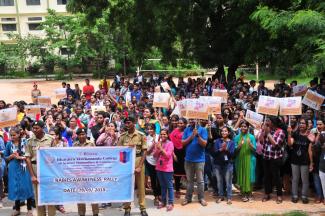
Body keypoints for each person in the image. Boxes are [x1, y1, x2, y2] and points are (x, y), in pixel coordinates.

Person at [117, 116, 148, 216]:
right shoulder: (122, 136)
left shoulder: (140, 135)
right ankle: (127, 208)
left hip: (138, 160)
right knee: (127, 186)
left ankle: (142, 208)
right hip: (126, 163)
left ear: (134, 123)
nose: (127, 125)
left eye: (129, 123)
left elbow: (144, 151)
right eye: (125, 123)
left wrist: (139, 166)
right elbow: (119, 151)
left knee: (141, 186)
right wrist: (122, 165)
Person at [25, 120, 56, 216]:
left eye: (37, 128)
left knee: (50, 195)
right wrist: (32, 176)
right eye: (33, 128)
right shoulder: (29, 141)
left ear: (42, 128)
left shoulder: (50, 139)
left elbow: (55, 156)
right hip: (35, 167)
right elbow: (28, 159)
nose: (34, 130)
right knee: (39, 197)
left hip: (48, 168)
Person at [4, 126, 34, 216]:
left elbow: (30, 155)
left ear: (19, 134)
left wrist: (20, 157)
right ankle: (17, 209)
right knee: (16, 187)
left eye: (14, 135)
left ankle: (29, 209)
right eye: (11, 135)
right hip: (13, 168)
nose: (12, 137)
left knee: (26, 187)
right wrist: (12, 156)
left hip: (24, 167)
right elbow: (6, 157)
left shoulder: (25, 142)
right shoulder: (9, 144)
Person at [181, 119, 208, 207]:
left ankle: (201, 198)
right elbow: (183, 143)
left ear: (197, 119)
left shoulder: (203, 130)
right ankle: (188, 198)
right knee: (190, 181)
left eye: (193, 119)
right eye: (190, 119)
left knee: (200, 181)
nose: (191, 120)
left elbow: (204, 144)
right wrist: (192, 136)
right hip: (188, 159)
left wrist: (197, 135)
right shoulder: (186, 130)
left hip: (200, 160)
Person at [259, 117, 285, 204]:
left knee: (276, 177)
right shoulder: (266, 130)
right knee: (266, 176)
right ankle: (267, 194)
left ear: (273, 122)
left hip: (275, 158)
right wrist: (263, 132)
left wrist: (268, 134)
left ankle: (279, 195)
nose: (266, 122)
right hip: (266, 157)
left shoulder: (280, 132)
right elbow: (261, 141)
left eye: (268, 121)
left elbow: (276, 145)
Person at [288, 117, 314, 204]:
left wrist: (311, 163)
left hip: (305, 161)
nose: (301, 125)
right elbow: (290, 144)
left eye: (303, 123)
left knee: (305, 180)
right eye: (300, 123)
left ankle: (304, 196)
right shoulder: (295, 134)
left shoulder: (309, 135)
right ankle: (294, 195)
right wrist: (289, 134)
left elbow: (310, 150)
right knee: (295, 179)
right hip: (294, 161)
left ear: (307, 125)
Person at [234, 121, 256, 202]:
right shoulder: (236, 137)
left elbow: (255, 150)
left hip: (250, 159)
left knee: (250, 176)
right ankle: (243, 193)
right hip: (240, 159)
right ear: (240, 127)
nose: (243, 128)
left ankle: (250, 194)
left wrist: (250, 144)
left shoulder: (252, 137)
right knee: (242, 175)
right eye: (242, 126)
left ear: (248, 127)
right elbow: (234, 151)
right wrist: (239, 145)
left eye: (245, 126)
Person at [212, 126, 235, 205]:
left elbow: (232, 155)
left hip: (228, 164)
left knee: (228, 181)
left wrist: (226, 150)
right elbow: (214, 153)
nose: (223, 132)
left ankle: (229, 198)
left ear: (228, 133)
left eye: (225, 131)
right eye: (222, 131)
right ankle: (221, 196)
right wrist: (220, 150)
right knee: (219, 181)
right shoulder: (217, 141)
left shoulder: (231, 142)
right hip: (218, 164)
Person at [153, 129, 174, 211]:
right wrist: (157, 149)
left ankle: (171, 202)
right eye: (161, 134)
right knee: (162, 186)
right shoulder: (159, 143)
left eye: (164, 134)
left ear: (167, 135)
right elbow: (154, 155)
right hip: (159, 167)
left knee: (169, 186)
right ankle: (163, 201)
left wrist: (161, 148)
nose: (162, 136)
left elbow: (168, 156)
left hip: (167, 168)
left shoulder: (170, 144)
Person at [169, 118, 187, 199]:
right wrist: (173, 154)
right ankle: (177, 190)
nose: (179, 125)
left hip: (186, 153)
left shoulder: (188, 131)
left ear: (185, 124)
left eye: (182, 123)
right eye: (179, 123)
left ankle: (189, 189)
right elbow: (170, 144)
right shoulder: (174, 131)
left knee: (187, 172)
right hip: (176, 154)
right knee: (176, 174)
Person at [144, 123, 160, 206]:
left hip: (159, 161)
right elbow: (147, 152)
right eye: (148, 129)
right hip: (150, 161)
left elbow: (161, 148)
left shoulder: (159, 136)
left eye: (151, 129)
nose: (150, 130)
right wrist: (154, 143)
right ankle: (156, 196)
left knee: (159, 179)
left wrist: (156, 142)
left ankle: (160, 194)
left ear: (154, 129)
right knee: (153, 180)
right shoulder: (146, 138)